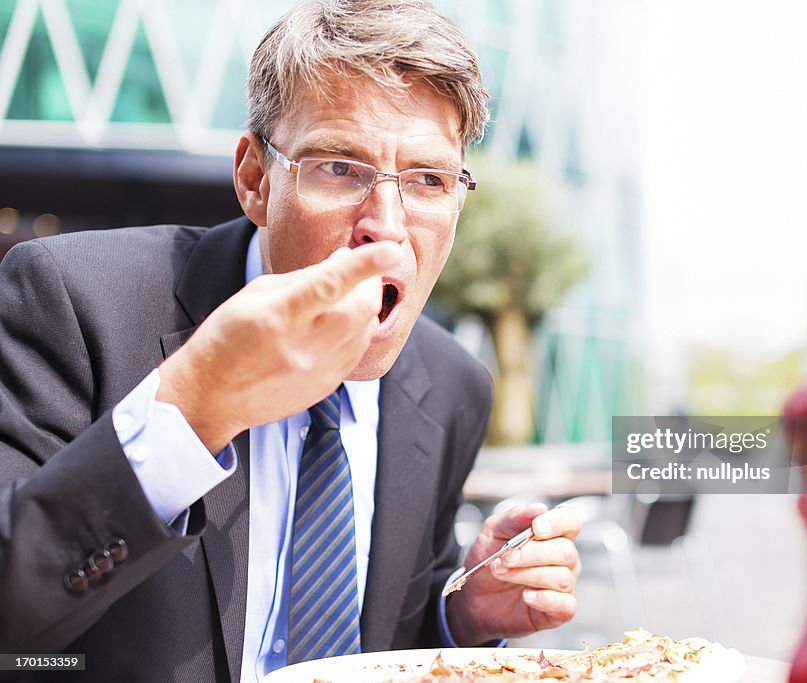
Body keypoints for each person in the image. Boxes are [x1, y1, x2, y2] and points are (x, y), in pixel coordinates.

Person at [0, 1, 582, 680]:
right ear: (255, 178)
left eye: (428, 179)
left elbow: (382, 647)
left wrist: (464, 617)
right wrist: (190, 409)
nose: (384, 227)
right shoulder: (74, 300)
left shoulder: (453, 384)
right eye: (340, 166)